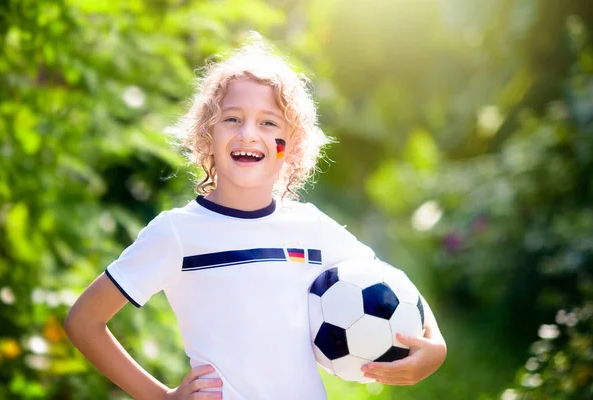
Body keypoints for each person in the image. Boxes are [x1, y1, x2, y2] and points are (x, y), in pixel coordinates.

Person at [64, 34, 447, 400]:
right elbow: (84, 322)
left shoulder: (310, 227)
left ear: (290, 146)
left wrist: (436, 346)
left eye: (268, 123)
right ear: (206, 134)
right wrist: (162, 397)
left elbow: (392, 281)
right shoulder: (177, 234)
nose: (249, 133)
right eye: (232, 119)